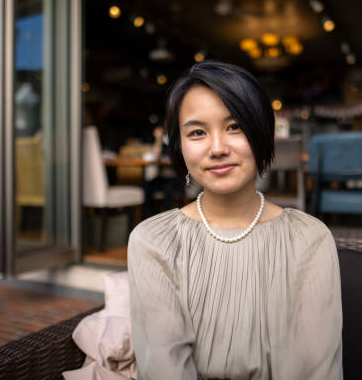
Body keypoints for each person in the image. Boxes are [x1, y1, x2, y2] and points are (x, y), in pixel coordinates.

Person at [128, 61, 343, 379]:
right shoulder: (153, 241)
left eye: (235, 127)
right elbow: (164, 366)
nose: (217, 148)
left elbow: (315, 370)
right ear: (180, 146)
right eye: (198, 132)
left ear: (260, 134)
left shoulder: (310, 239)